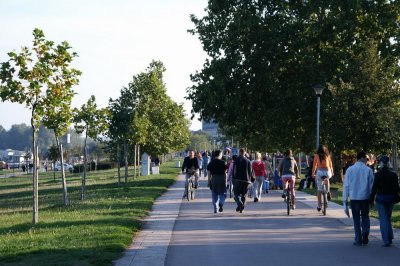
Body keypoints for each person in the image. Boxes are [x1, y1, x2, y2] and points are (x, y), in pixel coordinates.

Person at [342, 150, 374, 246]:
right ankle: (365, 232)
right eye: (366, 158)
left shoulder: (350, 170)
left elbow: (346, 186)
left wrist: (345, 200)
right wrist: (372, 198)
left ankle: (358, 239)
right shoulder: (368, 170)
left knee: (356, 219)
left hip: (354, 198)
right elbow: (371, 186)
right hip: (365, 197)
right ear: (363, 158)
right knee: (365, 216)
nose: (367, 160)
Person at [369, 156, 400, 247]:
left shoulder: (378, 175)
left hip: (381, 199)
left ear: (380, 164)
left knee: (383, 219)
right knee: (388, 218)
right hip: (390, 199)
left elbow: (374, 189)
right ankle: (390, 237)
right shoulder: (393, 175)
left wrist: (371, 200)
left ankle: (386, 240)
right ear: (389, 163)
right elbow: (397, 189)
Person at [312, 145, 334, 211]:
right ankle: (327, 192)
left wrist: (313, 173)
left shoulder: (316, 156)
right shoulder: (328, 155)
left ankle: (319, 206)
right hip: (327, 172)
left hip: (319, 172)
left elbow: (314, 166)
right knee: (327, 179)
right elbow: (331, 165)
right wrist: (332, 172)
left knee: (319, 189)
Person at [231, 148, 254, 213]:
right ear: (244, 153)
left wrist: (234, 178)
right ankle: (242, 207)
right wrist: (252, 180)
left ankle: (239, 203)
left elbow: (234, 171)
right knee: (244, 195)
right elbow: (251, 171)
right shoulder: (248, 161)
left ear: (239, 152)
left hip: (238, 180)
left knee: (236, 194)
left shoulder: (236, 161)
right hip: (247, 181)